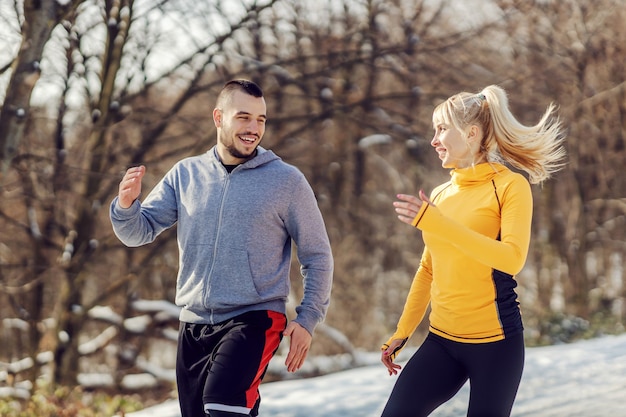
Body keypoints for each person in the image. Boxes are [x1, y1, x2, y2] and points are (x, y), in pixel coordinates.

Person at [110, 79, 334, 417]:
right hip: (194, 323)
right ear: (218, 117)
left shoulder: (287, 182)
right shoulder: (186, 174)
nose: (253, 128)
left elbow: (318, 256)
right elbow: (138, 232)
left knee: (222, 404)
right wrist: (126, 206)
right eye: (243, 117)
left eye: (261, 119)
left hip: (254, 317)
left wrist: (307, 318)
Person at [380, 85, 566, 417]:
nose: (433, 140)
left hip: (495, 345)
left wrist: (436, 223)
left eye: (441, 129)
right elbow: (428, 270)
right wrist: (402, 331)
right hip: (442, 342)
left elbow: (512, 258)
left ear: (471, 133)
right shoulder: (440, 195)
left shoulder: (510, 187)